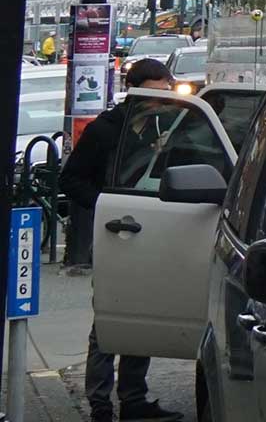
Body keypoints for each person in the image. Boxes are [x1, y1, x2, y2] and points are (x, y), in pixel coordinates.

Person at [63, 57, 174, 422]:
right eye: (158, 93)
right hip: (116, 231)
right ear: (137, 89)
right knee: (110, 317)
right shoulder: (107, 130)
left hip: (146, 229)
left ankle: (133, 398)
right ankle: (100, 403)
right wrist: (105, 206)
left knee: (140, 315)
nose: (162, 100)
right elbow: (72, 179)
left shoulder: (159, 125)